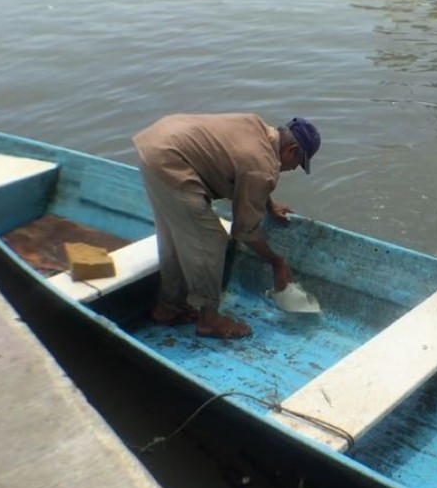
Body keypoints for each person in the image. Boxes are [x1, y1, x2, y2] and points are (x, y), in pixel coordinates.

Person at [133, 113, 320, 339]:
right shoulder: (262, 167)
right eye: (298, 163)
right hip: (171, 159)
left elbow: (244, 169)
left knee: (174, 235)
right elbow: (244, 231)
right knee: (211, 239)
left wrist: (269, 204)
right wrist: (276, 262)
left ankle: (169, 308)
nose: (292, 168)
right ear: (291, 151)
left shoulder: (256, 126)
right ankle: (209, 320)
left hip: (157, 143)